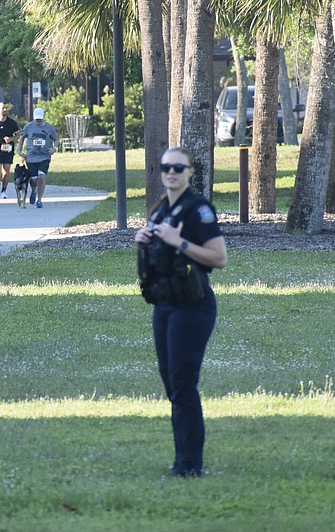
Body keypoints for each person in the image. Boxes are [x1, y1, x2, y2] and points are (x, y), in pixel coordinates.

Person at [134, 147, 227, 478]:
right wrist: (143, 237)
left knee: (183, 382)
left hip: (193, 306)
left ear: (190, 171)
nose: (171, 173)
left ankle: (189, 465)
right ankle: (182, 458)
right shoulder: (160, 210)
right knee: (172, 384)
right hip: (165, 305)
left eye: (178, 167)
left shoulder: (198, 209)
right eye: (166, 168)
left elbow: (218, 258)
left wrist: (180, 242)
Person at [17, 107, 59, 208]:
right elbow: (22, 138)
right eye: (37, 119)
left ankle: (39, 200)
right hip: (31, 157)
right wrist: (19, 151)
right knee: (34, 179)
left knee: (42, 177)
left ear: (43, 117)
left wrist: (54, 148)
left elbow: (56, 139)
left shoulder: (49, 128)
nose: (38, 121)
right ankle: (34, 191)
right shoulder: (28, 127)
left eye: (40, 119)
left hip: (44, 156)